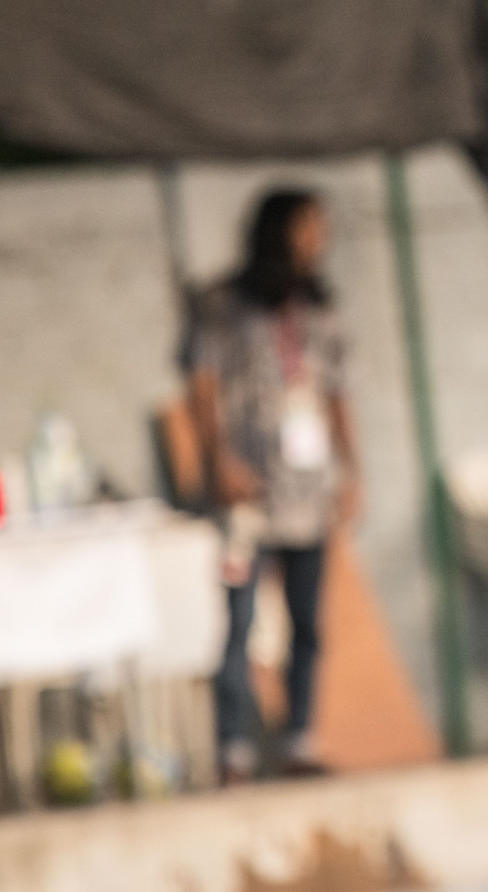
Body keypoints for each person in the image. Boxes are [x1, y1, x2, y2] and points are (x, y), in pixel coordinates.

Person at [186, 189, 361, 784]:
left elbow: (338, 393)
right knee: (237, 621)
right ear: (278, 232)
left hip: (308, 490)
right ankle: (233, 748)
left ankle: (299, 740)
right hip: (250, 490)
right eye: (308, 228)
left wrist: (351, 471)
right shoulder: (223, 306)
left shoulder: (321, 308)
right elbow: (202, 384)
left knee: (306, 620)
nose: (319, 240)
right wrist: (218, 459)